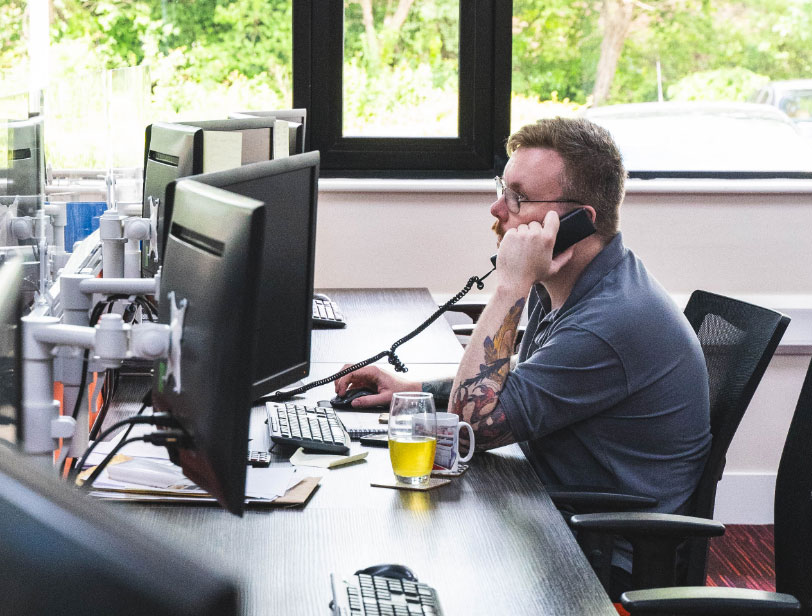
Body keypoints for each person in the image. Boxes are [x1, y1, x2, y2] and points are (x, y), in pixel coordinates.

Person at [334, 117, 711, 598]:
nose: (497, 208)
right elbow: (511, 386)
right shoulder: (571, 282)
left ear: (578, 222)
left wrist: (510, 284)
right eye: (501, 189)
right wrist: (411, 391)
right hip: (549, 507)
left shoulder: (611, 321)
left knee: (396, 543)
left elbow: (474, 425)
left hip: (595, 554)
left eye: (518, 197)